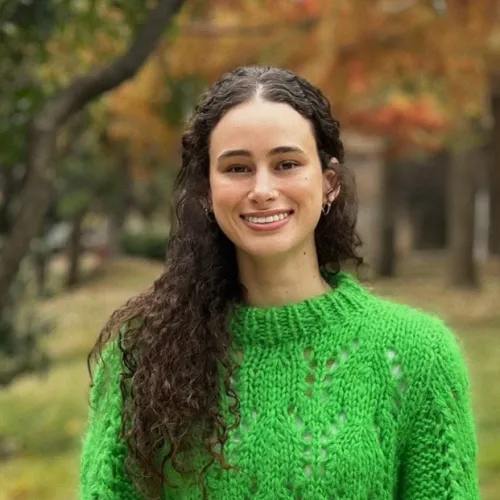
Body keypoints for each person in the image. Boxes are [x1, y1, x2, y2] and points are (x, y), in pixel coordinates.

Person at [79, 66, 479, 500]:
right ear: (206, 192)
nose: (262, 189)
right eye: (237, 168)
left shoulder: (416, 355)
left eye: (286, 164)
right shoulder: (141, 356)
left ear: (328, 185)